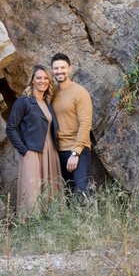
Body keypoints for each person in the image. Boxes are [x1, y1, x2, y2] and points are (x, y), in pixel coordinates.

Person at [6, 65, 62, 214]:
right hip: (32, 151)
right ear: (32, 80)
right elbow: (11, 128)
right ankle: (30, 223)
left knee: (50, 187)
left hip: (50, 151)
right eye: (38, 78)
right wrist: (24, 150)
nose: (42, 81)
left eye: (45, 78)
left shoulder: (47, 103)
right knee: (32, 189)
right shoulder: (23, 102)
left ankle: (50, 218)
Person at [51, 53, 93, 194]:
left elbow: (85, 124)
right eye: (56, 68)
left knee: (82, 193)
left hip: (77, 151)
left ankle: (90, 217)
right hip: (58, 152)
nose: (59, 71)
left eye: (63, 67)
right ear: (52, 70)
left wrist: (75, 153)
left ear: (70, 69)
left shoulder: (80, 92)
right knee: (67, 196)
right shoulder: (52, 93)